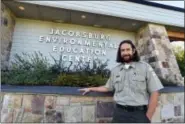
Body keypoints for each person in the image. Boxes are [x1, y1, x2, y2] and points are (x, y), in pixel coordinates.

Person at [78, 40, 164, 123]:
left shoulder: (145, 67)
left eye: (128, 50)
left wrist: (148, 117)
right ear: (120, 53)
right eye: (123, 50)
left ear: (133, 51)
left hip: (139, 114)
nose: (125, 52)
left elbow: (154, 92)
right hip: (119, 114)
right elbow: (107, 87)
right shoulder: (115, 70)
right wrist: (91, 89)